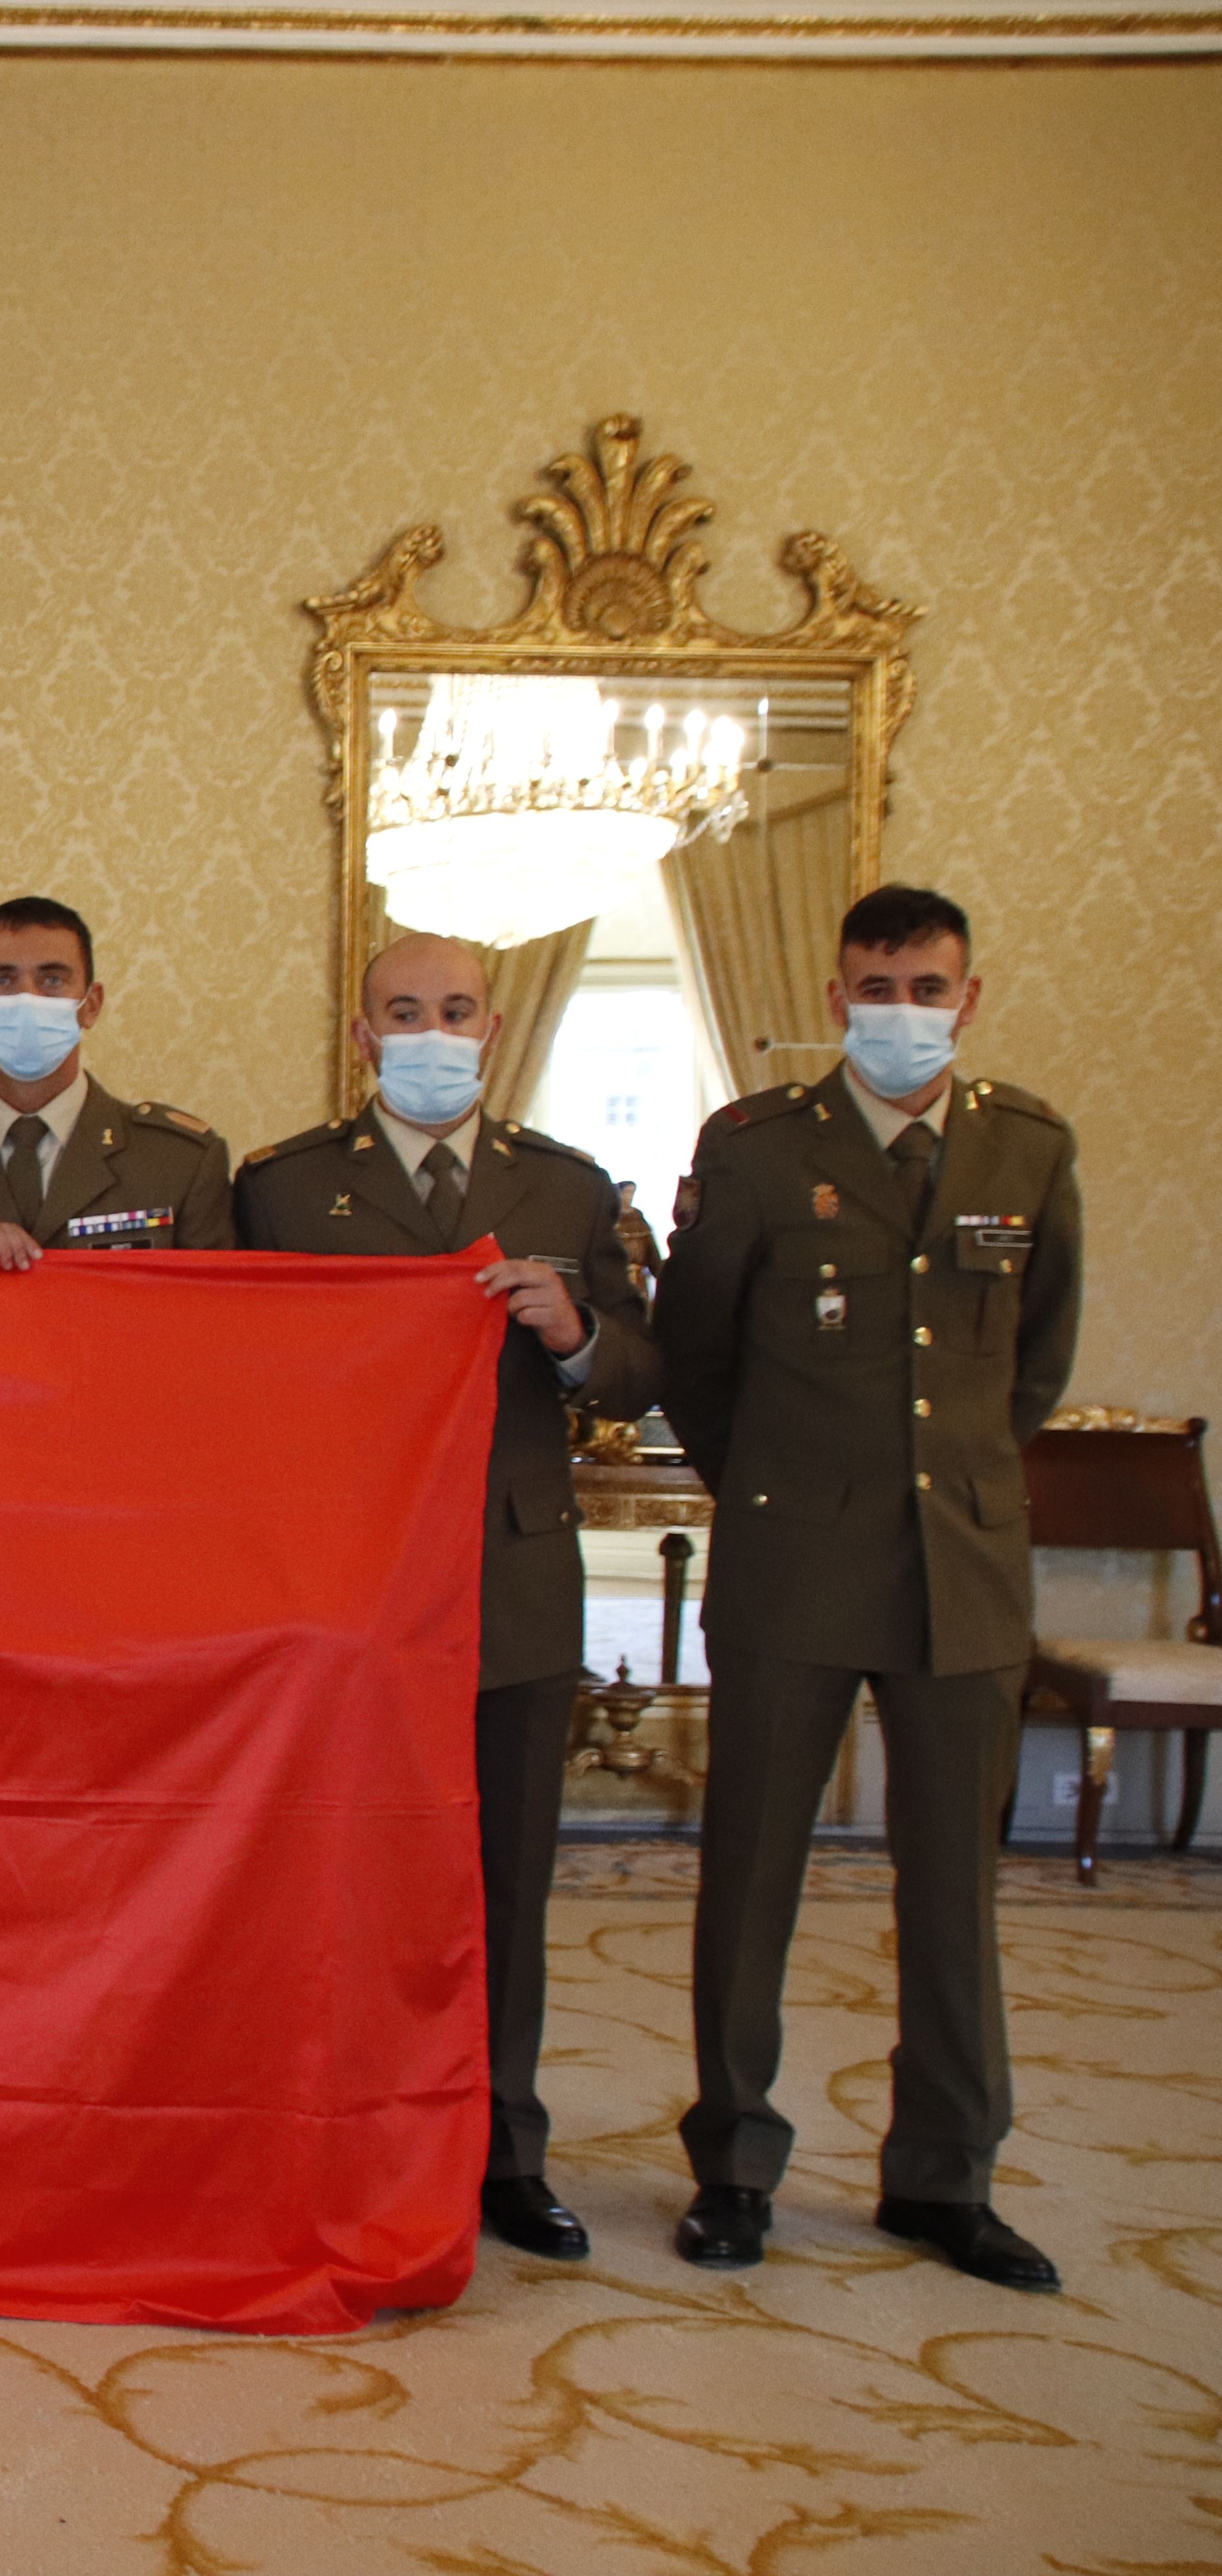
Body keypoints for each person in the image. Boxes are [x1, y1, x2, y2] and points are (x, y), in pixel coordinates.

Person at [653, 885, 1080, 2290]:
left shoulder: (1026, 1143)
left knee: (955, 1883)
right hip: (794, 1558)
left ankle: (944, 2175)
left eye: (930, 988)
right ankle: (734, 2161)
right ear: (838, 996)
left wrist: (951, 1482)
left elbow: (1032, 1363)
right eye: (878, 988)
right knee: (753, 1871)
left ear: (973, 994)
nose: (904, 1013)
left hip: (961, 1562)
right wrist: (778, 1486)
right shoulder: (763, 1147)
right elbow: (696, 1360)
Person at [235, 931, 659, 2261]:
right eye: (403, 1010)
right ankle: (338, 2126)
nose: (431, 1030)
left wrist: (574, 1330)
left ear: (493, 1025)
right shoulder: (287, 1190)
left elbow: (647, 1371)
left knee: (504, 1881)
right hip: (344, 1591)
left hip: (511, 1581)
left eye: (456, 1009)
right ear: (363, 1034)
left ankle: (503, 2148)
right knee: (334, 1877)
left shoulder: (569, 1188)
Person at [0, 896, 231, 1260]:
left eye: (52, 980)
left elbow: (212, 1314)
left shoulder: (179, 1163)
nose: (27, 997)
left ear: (91, 1005)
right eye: (3, 980)